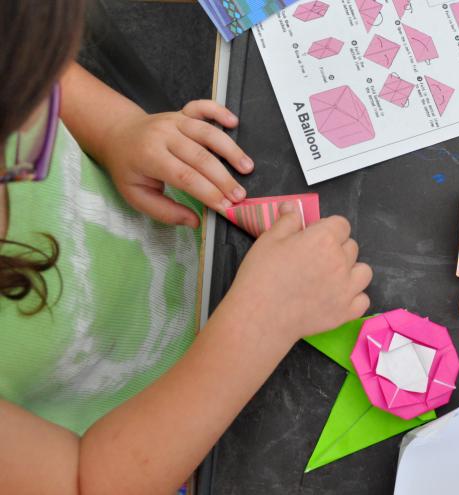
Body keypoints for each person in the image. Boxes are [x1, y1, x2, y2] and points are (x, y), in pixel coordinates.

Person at [0, 1, 372, 492]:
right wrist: (260, 321)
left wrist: (116, 128)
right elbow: (83, 483)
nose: (46, 107)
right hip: (168, 438)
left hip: (224, 272)